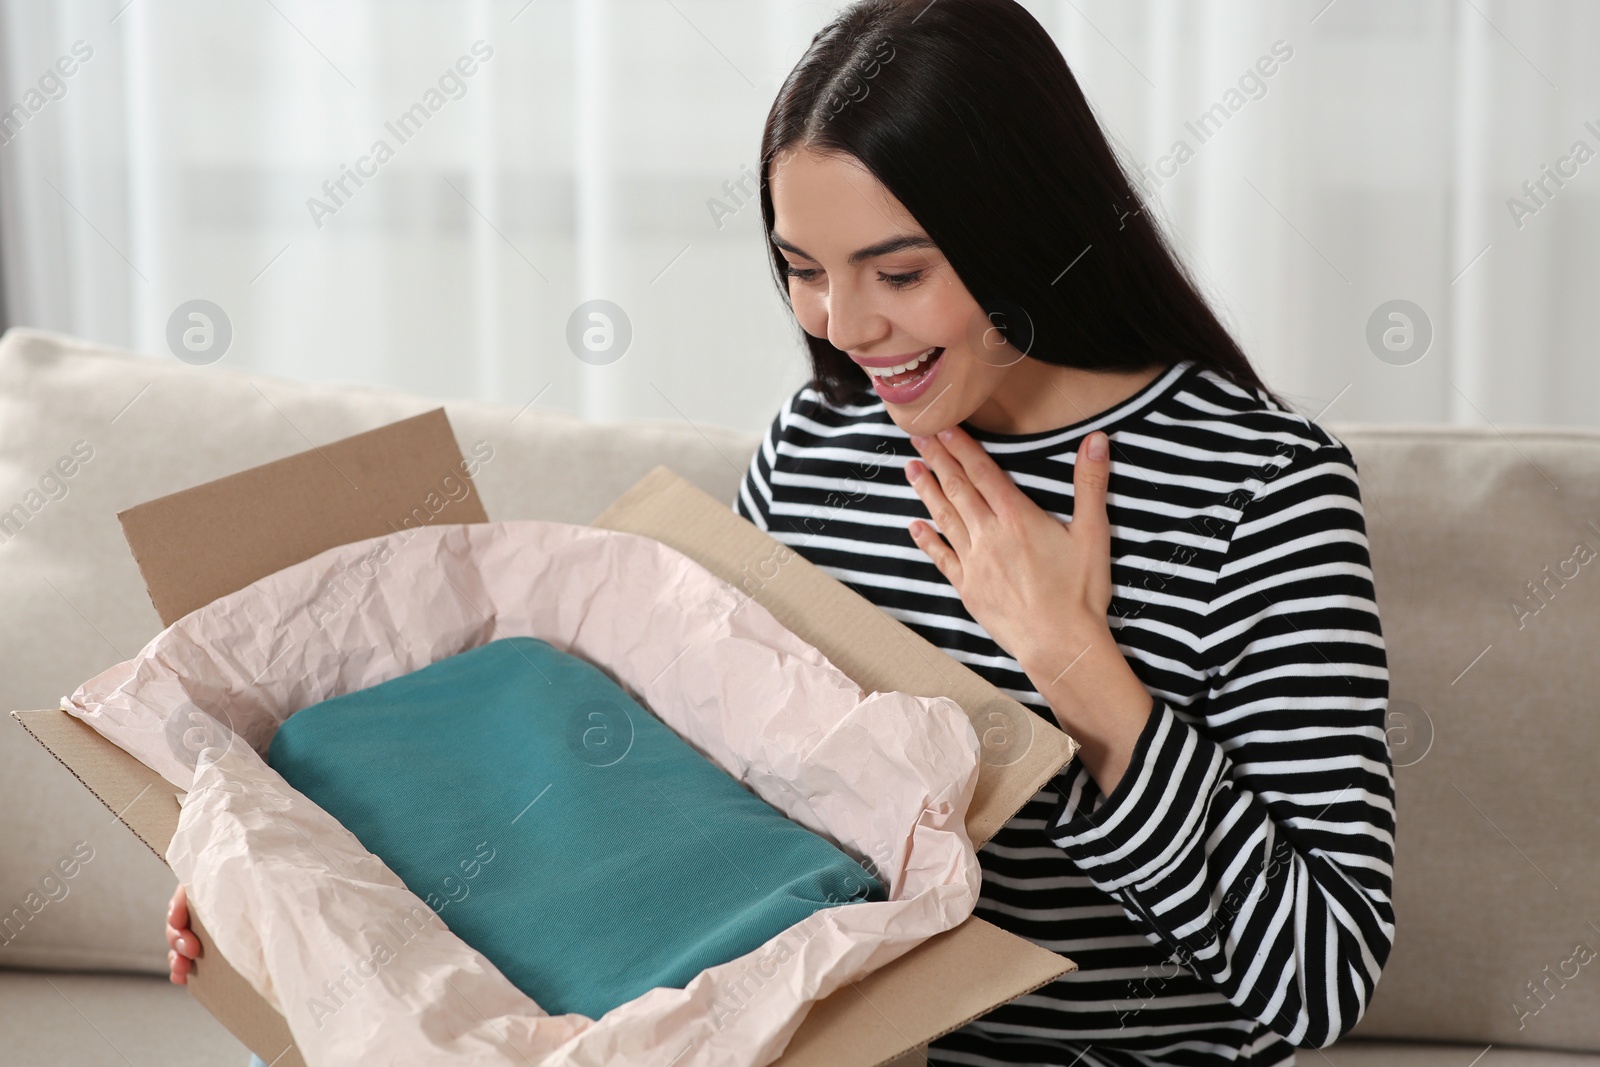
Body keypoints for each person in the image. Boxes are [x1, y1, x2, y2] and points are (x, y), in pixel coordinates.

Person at [171, 1, 1393, 1064]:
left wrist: (1081, 676)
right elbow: (681, 810)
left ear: (1024, 230)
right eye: (800, 267)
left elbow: (1316, 978)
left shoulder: (1259, 492)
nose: (844, 324)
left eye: (898, 273)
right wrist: (294, 896)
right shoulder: (818, 447)